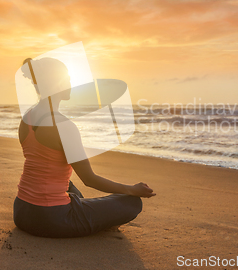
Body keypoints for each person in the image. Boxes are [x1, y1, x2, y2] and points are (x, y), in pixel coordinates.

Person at [13, 57, 155, 238]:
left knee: (71, 187)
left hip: (22, 212)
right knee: (132, 203)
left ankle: (84, 211)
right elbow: (90, 179)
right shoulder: (64, 126)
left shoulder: (27, 119)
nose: (71, 83)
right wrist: (132, 190)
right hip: (51, 219)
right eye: (67, 79)